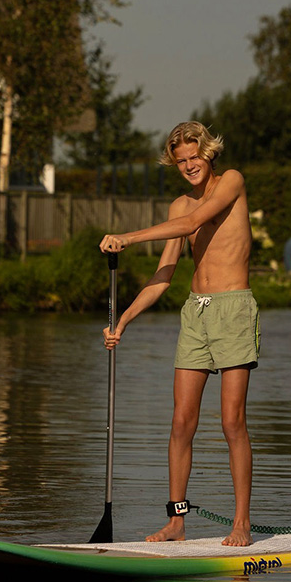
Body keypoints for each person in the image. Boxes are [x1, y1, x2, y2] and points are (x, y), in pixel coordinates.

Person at [99, 121, 259, 547]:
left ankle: (241, 522)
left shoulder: (232, 183)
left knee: (231, 422)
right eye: (181, 160)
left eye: (194, 156)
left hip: (233, 309)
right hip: (196, 313)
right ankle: (177, 520)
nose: (189, 165)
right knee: (181, 424)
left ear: (209, 153)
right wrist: (124, 320)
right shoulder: (177, 206)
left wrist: (129, 237)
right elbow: (164, 276)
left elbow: (193, 224)